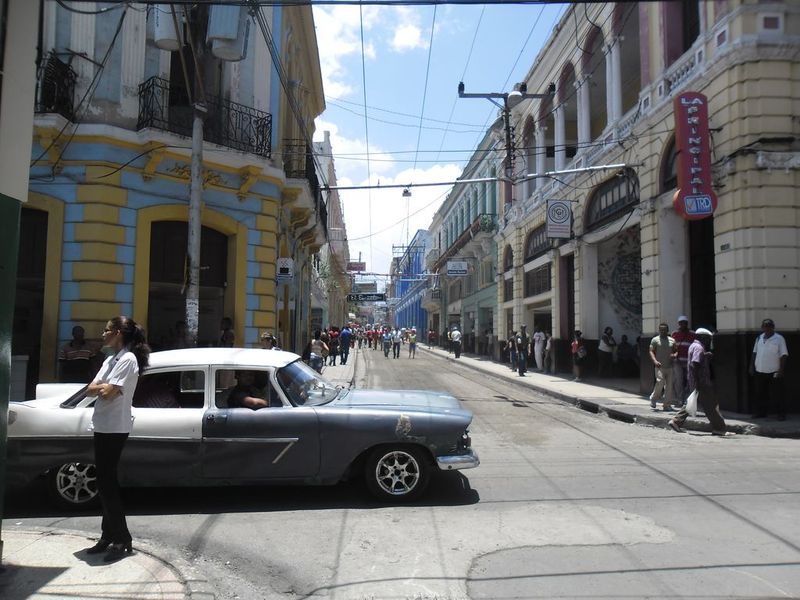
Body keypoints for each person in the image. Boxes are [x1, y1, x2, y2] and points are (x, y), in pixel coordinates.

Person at [84, 316, 150, 562]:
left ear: (119, 333)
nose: (103, 334)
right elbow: (90, 389)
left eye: (107, 330)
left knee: (106, 484)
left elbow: (108, 393)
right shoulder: (111, 359)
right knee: (105, 483)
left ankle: (122, 538)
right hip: (102, 424)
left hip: (115, 427)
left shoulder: (128, 359)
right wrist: (101, 388)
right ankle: (108, 535)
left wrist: (102, 388)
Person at [668, 328, 728, 435]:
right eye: (708, 339)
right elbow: (695, 363)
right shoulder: (699, 347)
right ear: (703, 337)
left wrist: (705, 356)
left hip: (697, 381)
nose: (709, 341)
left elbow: (697, 359)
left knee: (693, 402)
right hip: (701, 382)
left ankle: (676, 421)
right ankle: (719, 429)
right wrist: (698, 382)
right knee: (711, 405)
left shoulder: (694, 346)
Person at [749, 318, 789, 420]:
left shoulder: (779, 339)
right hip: (760, 370)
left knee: (777, 393)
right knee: (760, 393)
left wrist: (781, 370)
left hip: (774, 370)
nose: (767, 328)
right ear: (762, 327)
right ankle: (761, 412)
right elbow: (754, 353)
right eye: (765, 326)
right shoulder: (759, 338)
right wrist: (751, 366)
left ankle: (781, 414)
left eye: (769, 326)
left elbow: (784, 355)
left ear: (773, 327)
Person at [649, 323, 677, 411]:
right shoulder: (655, 340)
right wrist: (655, 361)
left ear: (667, 330)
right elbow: (651, 351)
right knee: (660, 383)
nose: (663, 331)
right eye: (661, 330)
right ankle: (653, 398)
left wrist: (674, 355)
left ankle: (666, 405)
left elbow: (676, 350)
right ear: (659, 330)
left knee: (669, 387)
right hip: (659, 366)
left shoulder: (672, 340)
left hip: (670, 367)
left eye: (664, 330)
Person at [672, 316, 696, 406]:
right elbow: (672, 347)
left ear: (687, 324)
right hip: (677, 361)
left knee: (690, 381)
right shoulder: (674, 333)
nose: (683, 325)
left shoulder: (693, 334)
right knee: (679, 381)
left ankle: (688, 400)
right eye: (681, 323)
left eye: (685, 323)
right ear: (679, 324)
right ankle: (679, 400)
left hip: (689, 361)